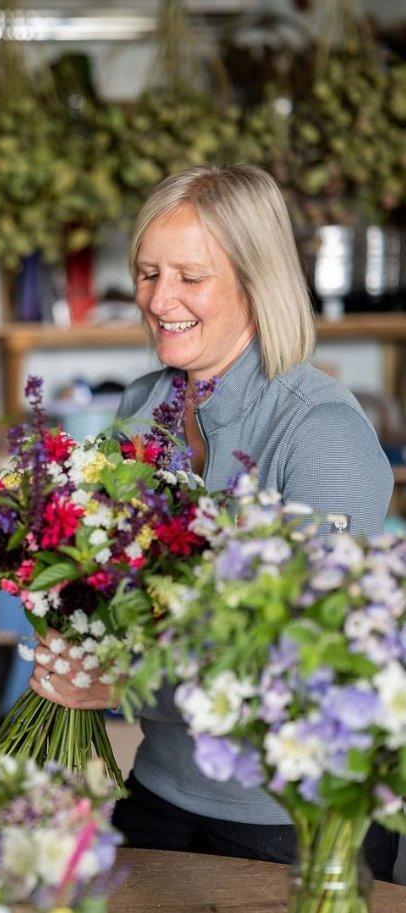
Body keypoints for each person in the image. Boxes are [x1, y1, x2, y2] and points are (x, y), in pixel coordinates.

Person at [31, 163, 399, 880]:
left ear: (256, 283)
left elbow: (301, 666)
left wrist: (123, 684)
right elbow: (110, 585)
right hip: (162, 790)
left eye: (188, 277)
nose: (158, 299)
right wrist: (69, 619)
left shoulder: (320, 430)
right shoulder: (142, 407)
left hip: (292, 820)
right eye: (146, 273)